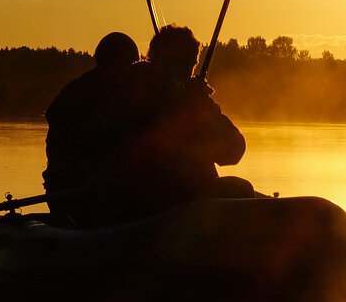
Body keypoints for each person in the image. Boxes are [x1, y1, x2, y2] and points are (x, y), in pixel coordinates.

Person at [102, 25, 254, 222]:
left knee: (241, 189)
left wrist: (206, 116)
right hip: (146, 202)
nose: (182, 71)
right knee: (236, 191)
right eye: (175, 62)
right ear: (156, 59)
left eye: (188, 63)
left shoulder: (197, 100)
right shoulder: (133, 94)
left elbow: (234, 152)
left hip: (191, 199)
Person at [42, 31, 139, 226]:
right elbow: (63, 149)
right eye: (127, 65)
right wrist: (87, 174)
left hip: (110, 190)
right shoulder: (77, 95)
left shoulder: (127, 95)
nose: (129, 72)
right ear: (110, 63)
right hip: (73, 190)